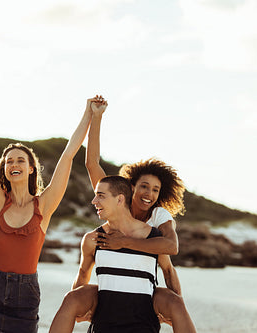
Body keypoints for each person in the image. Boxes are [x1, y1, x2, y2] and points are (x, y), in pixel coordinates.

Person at [49, 97, 196, 332]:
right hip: (111, 291)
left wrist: (177, 307)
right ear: (128, 190)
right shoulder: (114, 200)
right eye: (144, 187)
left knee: (172, 300)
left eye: (155, 190)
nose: (148, 194)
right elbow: (91, 163)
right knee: (77, 297)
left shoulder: (157, 218)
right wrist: (96, 117)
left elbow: (169, 257)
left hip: (144, 292)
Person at [0, 90, 95, 333]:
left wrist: (89, 113)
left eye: (19, 160)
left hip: (25, 296)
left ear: (30, 168)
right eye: (8, 161)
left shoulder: (44, 205)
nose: (13, 164)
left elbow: (68, 155)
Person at [81, 175, 163, 332]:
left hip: (144, 328)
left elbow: (169, 272)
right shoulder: (92, 239)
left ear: (119, 200)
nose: (94, 201)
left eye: (100, 196)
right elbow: (83, 274)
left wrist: (172, 308)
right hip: (103, 327)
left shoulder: (153, 237)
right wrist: (79, 307)